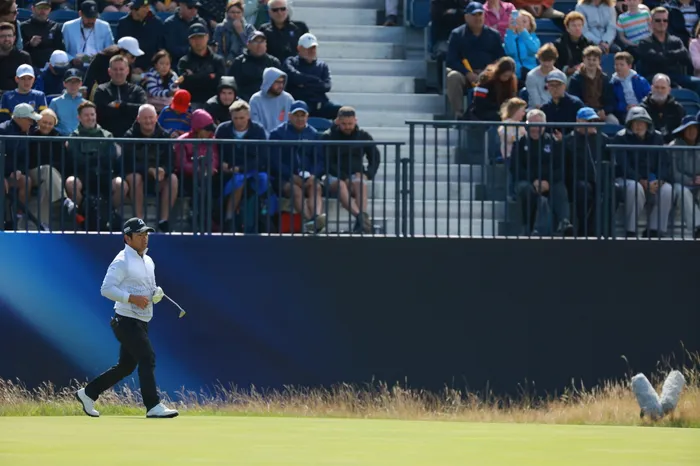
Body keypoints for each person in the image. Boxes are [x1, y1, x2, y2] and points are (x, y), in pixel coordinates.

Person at [75, 217, 179, 419]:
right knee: (147, 357)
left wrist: (155, 294)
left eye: (146, 234)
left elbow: (148, 290)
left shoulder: (148, 261)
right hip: (125, 321)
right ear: (127, 238)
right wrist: (131, 298)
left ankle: (88, 393)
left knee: (126, 366)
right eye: (139, 235)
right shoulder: (122, 260)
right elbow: (106, 289)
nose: (144, 238)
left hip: (141, 321)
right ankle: (153, 405)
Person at [611, 105, 673, 237]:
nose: (638, 126)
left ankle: (655, 230)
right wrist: (640, 180)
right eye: (635, 123)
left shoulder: (657, 137)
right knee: (635, 188)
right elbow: (623, 165)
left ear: (647, 124)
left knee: (667, 190)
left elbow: (664, 162)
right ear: (630, 124)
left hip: (652, 180)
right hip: (627, 179)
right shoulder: (620, 138)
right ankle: (631, 230)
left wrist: (660, 180)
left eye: (642, 122)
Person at [510, 108, 574, 235]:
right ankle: (528, 227)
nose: (535, 128)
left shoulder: (553, 142)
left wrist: (547, 182)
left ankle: (564, 221)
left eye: (538, 125)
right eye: (532, 124)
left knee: (560, 188)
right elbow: (516, 168)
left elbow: (560, 167)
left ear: (544, 125)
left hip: (549, 182)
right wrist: (534, 181)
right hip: (527, 181)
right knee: (526, 190)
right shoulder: (519, 143)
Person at [321, 106, 381, 234]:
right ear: (337, 121)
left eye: (350, 123)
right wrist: (344, 177)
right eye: (344, 124)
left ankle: (361, 223)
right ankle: (362, 219)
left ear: (355, 121)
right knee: (341, 185)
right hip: (333, 176)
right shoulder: (328, 136)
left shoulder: (363, 136)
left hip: (355, 175)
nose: (347, 127)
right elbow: (327, 162)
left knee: (360, 182)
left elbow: (375, 157)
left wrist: (368, 174)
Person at [269, 100, 326, 233]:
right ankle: (311, 221)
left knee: (316, 187)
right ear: (289, 116)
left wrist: (313, 175)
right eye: (296, 115)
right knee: (295, 190)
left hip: (308, 177)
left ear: (307, 117)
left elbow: (320, 160)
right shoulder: (278, 133)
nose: (299, 119)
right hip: (284, 178)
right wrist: (291, 176)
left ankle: (315, 217)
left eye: (302, 115)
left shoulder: (313, 134)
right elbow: (275, 161)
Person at [446, 2, 506, 118]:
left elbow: (500, 59)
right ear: (466, 17)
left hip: (489, 75)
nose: (478, 18)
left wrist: (487, 73)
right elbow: (451, 60)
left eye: (480, 14)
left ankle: (500, 114)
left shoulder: (494, 35)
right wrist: (468, 73)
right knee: (453, 76)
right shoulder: (457, 34)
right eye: (474, 15)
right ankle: (459, 114)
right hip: (466, 75)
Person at [562, 106, 610, 235]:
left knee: (614, 189)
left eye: (594, 121)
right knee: (583, 189)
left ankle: (605, 229)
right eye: (589, 121)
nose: (592, 124)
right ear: (578, 121)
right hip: (579, 180)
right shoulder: (569, 141)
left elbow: (610, 160)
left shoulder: (603, 138)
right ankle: (585, 229)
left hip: (599, 179)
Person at [283, 32, 341, 119]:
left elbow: (326, 86)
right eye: (308, 48)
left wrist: (304, 84)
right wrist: (317, 81)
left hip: (319, 104)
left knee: (342, 112)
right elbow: (293, 77)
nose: (312, 51)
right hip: (299, 104)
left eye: (313, 48)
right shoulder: (291, 62)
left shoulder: (322, 65)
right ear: (299, 48)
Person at [93, 54, 148, 137]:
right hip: (107, 138)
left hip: (133, 139)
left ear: (127, 71)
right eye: (115, 69)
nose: (118, 72)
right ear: (109, 71)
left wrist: (121, 105)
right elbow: (100, 112)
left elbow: (142, 110)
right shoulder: (102, 90)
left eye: (121, 69)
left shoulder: (137, 90)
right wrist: (129, 109)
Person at [177, 23, 226, 107]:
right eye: (193, 38)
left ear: (207, 37)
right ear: (189, 40)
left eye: (200, 37)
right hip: (191, 103)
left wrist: (193, 77)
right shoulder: (184, 62)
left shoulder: (217, 60)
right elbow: (184, 84)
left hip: (214, 103)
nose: (197, 41)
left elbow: (220, 83)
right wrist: (209, 76)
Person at [668, 115, 700, 238]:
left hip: (698, 182)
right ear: (683, 131)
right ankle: (697, 227)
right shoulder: (674, 146)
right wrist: (689, 181)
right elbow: (673, 172)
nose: (692, 131)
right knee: (682, 192)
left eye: (694, 128)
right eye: (688, 129)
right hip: (680, 183)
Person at [249, 66, 293, 132]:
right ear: (268, 82)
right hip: (262, 138)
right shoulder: (255, 100)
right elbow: (255, 126)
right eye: (277, 82)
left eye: (282, 82)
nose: (281, 85)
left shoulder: (288, 99)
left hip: (285, 137)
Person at [49, 68, 85, 135]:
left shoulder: (85, 104)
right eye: (70, 81)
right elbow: (49, 123)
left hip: (81, 139)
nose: (73, 85)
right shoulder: (55, 102)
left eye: (76, 82)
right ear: (64, 84)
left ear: (81, 84)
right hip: (60, 139)